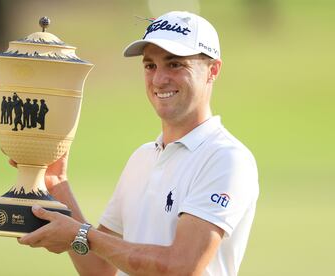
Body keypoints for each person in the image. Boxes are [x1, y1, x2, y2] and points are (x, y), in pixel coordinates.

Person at [16, 11, 259, 276]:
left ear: (213, 70)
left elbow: (181, 267)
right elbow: (101, 269)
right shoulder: (142, 158)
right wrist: (56, 182)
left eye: (175, 64)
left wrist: (83, 236)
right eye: (150, 65)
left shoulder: (226, 158)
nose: (158, 79)